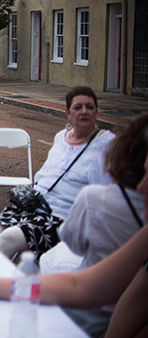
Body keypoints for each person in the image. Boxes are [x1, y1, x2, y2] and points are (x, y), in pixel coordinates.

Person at [0, 149, 148, 338]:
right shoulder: (143, 237)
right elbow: (80, 287)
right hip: (36, 208)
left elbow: (84, 282)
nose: (141, 187)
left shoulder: (96, 186)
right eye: (143, 173)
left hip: (57, 218)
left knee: (10, 237)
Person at [39, 113, 147, 336]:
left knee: (49, 258)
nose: (143, 186)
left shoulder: (95, 199)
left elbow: (74, 246)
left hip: (82, 319)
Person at [0, 86, 115, 259]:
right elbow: (45, 173)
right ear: (68, 112)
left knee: (8, 238)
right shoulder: (61, 137)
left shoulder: (106, 144)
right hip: (34, 205)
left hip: (63, 217)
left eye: (90, 107)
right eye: (78, 107)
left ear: (96, 112)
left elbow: (104, 192)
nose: (84, 112)